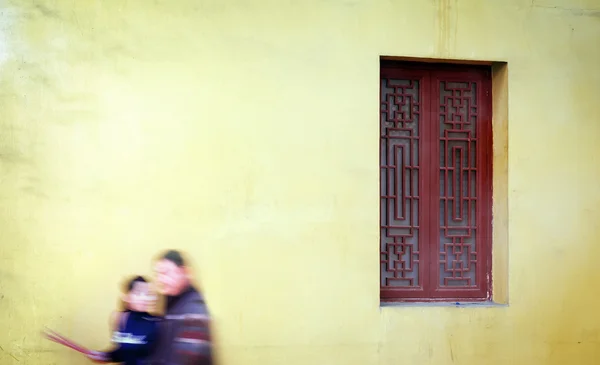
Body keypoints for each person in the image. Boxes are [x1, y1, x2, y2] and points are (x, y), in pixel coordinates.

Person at [145, 249, 212, 365]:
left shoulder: (194, 310)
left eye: (165, 273)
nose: (160, 280)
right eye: (158, 274)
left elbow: (188, 358)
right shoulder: (172, 303)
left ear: (184, 272)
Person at [87, 276, 160, 365]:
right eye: (138, 293)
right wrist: (105, 355)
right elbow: (122, 353)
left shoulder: (157, 322)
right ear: (126, 297)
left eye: (147, 294)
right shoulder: (119, 318)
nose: (144, 298)